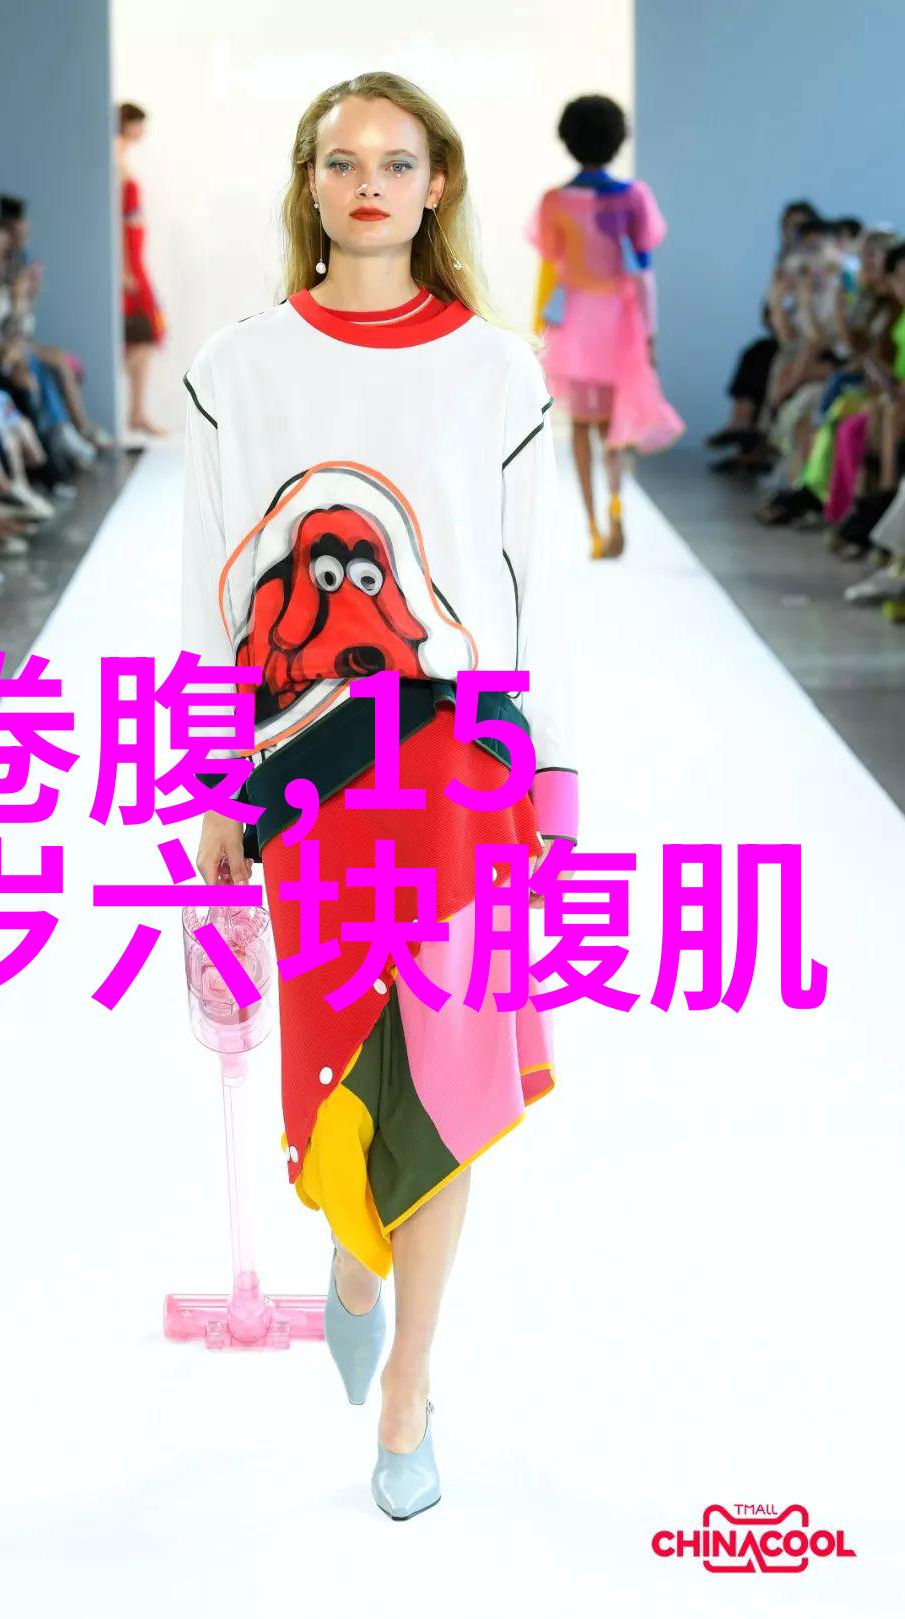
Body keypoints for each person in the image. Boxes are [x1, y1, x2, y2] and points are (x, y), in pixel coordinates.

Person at [181, 70, 579, 1521]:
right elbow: (210, 585)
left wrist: (556, 774)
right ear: (310, 181)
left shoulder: (498, 369)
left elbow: (533, 589)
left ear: (437, 183)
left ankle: (411, 1374)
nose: (370, 184)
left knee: (454, 1067)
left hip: (464, 764)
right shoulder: (239, 366)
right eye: (342, 160)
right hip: (307, 775)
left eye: (397, 162)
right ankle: (357, 1251)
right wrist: (208, 782)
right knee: (348, 1057)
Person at [524, 94, 684, 558]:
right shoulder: (633, 197)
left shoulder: (554, 202)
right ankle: (616, 506)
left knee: (580, 423)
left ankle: (592, 526)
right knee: (614, 426)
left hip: (573, 321)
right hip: (619, 321)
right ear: (617, 139)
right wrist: (650, 334)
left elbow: (550, 268)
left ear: (568, 139)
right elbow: (644, 272)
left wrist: (538, 327)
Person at [116, 101, 166, 436]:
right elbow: (116, 219)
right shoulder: (115, 158)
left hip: (134, 259)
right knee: (142, 331)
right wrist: (124, 268)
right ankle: (135, 410)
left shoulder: (121, 157)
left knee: (144, 335)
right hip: (129, 264)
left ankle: (137, 410)